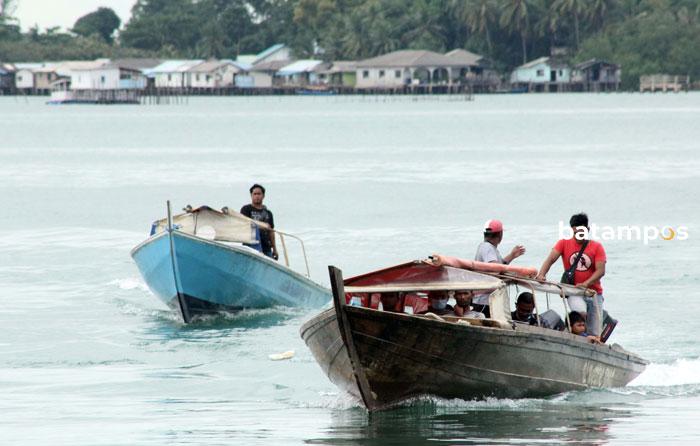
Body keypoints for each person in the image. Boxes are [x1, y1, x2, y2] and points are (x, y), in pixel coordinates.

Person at [535, 213, 606, 336]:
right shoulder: (563, 243)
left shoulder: (597, 247)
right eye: (576, 231)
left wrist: (586, 284)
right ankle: (574, 335)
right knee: (580, 313)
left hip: (594, 293)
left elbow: (600, 271)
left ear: (588, 229)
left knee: (595, 332)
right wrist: (541, 274)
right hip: (573, 290)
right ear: (572, 230)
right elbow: (550, 259)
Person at [472, 219, 526, 317]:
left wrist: (512, 255)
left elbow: (499, 265)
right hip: (484, 301)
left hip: (484, 300)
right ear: (500, 235)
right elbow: (496, 269)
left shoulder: (488, 248)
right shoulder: (487, 248)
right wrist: (515, 273)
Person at [240, 184, 278, 260]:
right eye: (255, 194)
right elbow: (243, 224)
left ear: (263, 196)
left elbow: (271, 232)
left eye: (259, 194)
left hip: (266, 247)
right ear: (251, 195)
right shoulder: (246, 209)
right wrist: (262, 226)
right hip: (250, 246)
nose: (257, 196)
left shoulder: (268, 213)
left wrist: (274, 249)